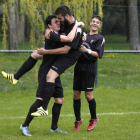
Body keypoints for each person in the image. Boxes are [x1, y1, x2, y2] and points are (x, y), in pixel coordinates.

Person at [18, 15, 83, 136]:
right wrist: (77, 26)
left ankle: (54, 127)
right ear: (49, 25)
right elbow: (64, 46)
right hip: (46, 72)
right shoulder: (51, 34)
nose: (59, 23)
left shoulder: (59, 35)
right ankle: (24, 126)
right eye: (56, 22)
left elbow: (67, 39)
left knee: (59, 99)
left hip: (54, 72)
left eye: (60, 21)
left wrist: (80, 34)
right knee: (41, 99)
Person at [31, 5, 83, 117]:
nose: (58, 21)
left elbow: (65, 49)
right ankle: (15, 76)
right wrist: (48, 30)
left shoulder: (76, 29)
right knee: (35, 54)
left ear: (67, 16)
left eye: (59, 18)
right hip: (62, 54)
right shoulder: (66, 24)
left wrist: (45, 52)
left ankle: (44, 108)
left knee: (50, 76)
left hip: (69, 56)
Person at [73, 15, 105, 131]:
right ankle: (77, 120)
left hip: (89, 68)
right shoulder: (83, 35)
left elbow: (99, 55)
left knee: (88, 95)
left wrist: (88, 51)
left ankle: (93, 118)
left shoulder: (100, 38)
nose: (95, 23)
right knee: (76, 94)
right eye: (93, 22)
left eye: (97, 22)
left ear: (99, 25)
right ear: (90, 23)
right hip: (79, 66)